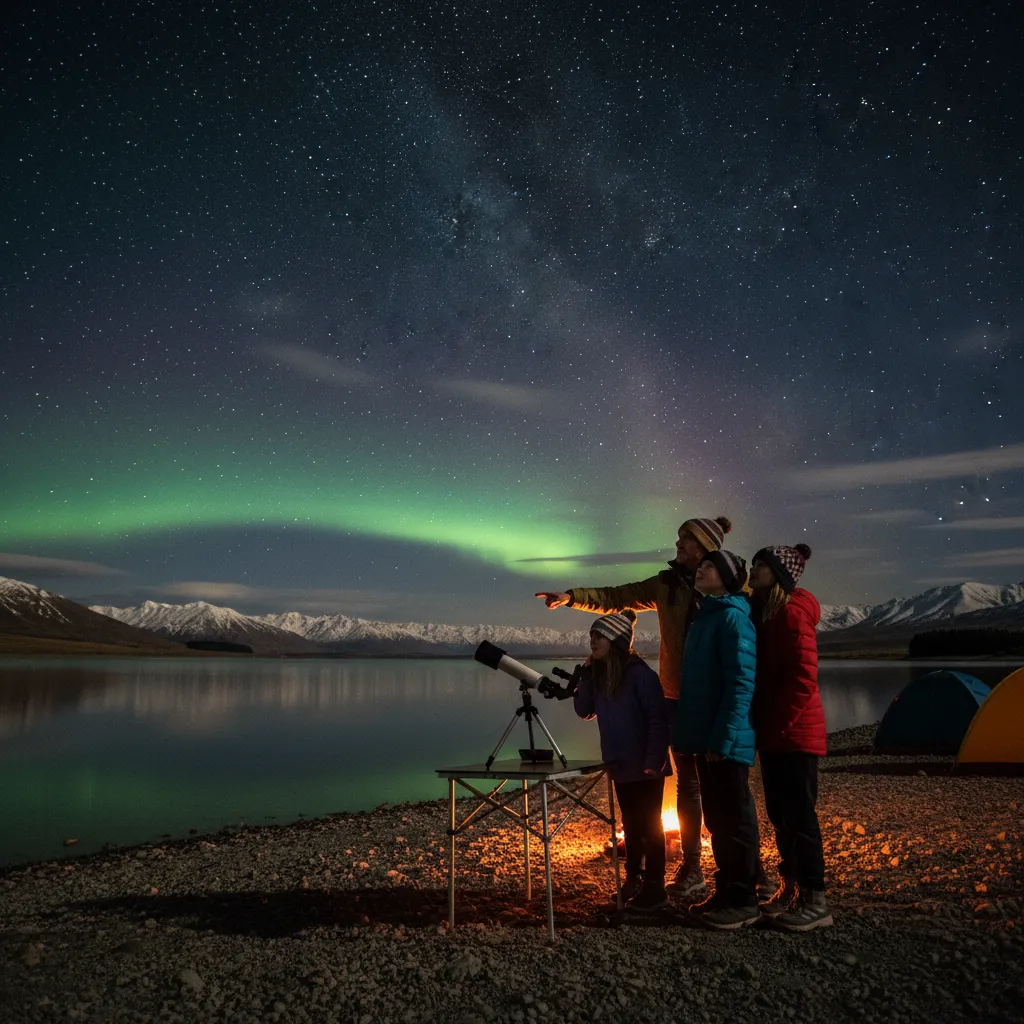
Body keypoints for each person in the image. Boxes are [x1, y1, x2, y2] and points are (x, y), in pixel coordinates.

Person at [537, 515, 733, 899]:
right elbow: (618, 596)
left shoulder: (726, 587)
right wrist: (572, 596)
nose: (677, 544)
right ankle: (692, 867)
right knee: (690, 786)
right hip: (677, 697)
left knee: (725, 788)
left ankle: (743, 871)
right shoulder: (666, 585)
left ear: (705, 547)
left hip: (715, 701)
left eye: (685, 540)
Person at [675, 550, 761, 930]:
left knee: (734, 820)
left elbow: (740, 684)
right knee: (718, 820)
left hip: (723, 741)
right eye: (702, 565)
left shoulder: (731, 617)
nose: (700, 570)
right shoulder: (705, 617)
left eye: (709, 567)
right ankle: (727, 892)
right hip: (706, 739)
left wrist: (723, 739)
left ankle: (743, 900)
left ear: (726, 577)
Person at [748, 543, 833, 931]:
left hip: (795, 734)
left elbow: (803, 676)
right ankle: (792, 887)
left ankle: (816, 900)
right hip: (776, 733)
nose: (754, 570)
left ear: (779, 575)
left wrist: (781, 723)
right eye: (753, 564)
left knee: (799, 817)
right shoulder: (766, 612)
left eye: (761, 566)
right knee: (780, 816)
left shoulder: (791, 615)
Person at [573, 609, 672, 913]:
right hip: (619, 764)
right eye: (591, 636)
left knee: (651, 826)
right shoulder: (602, 676)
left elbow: (658, 720)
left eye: (598, 636)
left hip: (645, 765)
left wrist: (654, 760)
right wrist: (587, 674)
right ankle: (633, 878)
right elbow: (583, 709)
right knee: (630, 824)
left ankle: (655, 886)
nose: (592, 642)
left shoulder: (641, 675)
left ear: (615, 640)